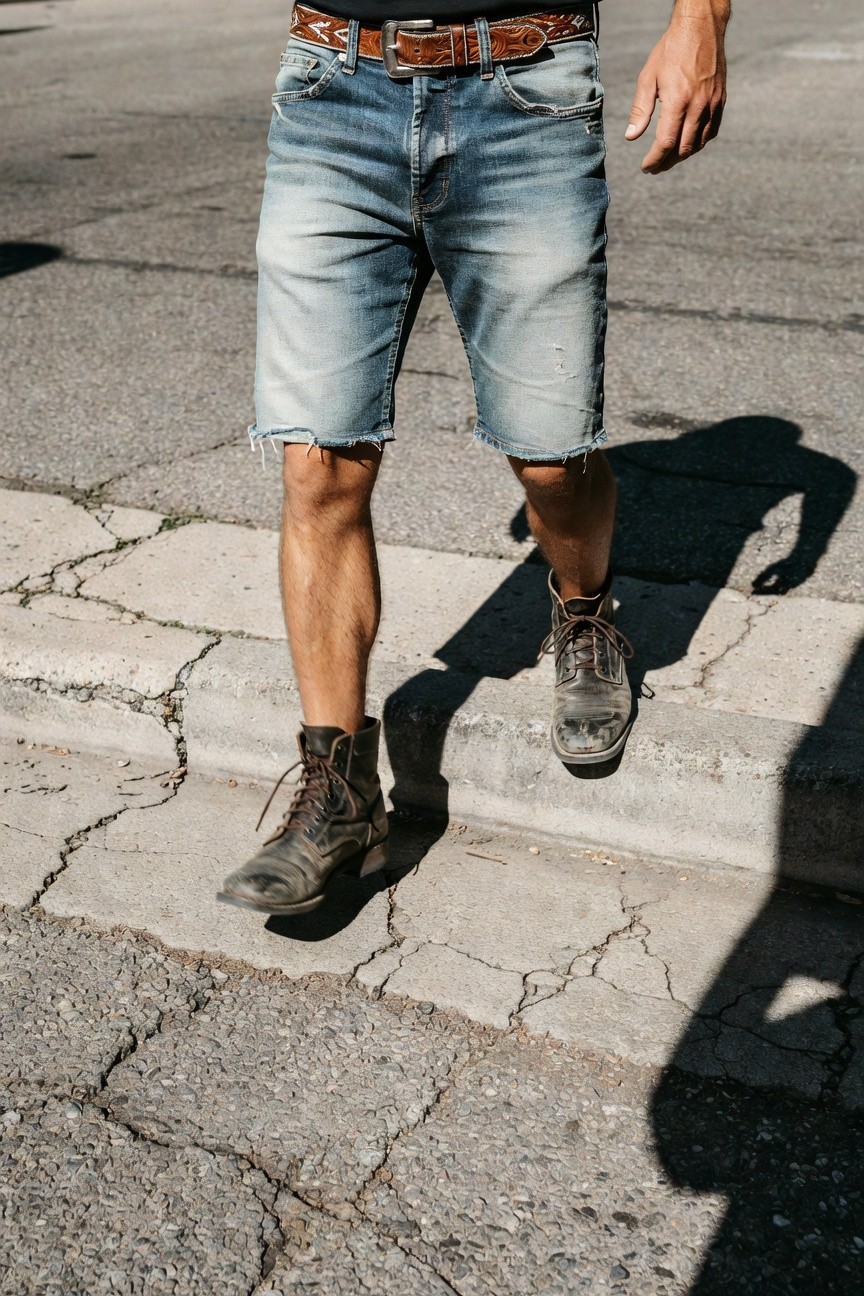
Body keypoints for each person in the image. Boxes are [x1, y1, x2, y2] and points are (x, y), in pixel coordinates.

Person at [218, 0, 730, 915]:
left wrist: (701, 18)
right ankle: (338, 791)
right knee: (317, 464)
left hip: (524, 88)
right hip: (335, 82)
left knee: (548, 460)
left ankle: (584, 617)